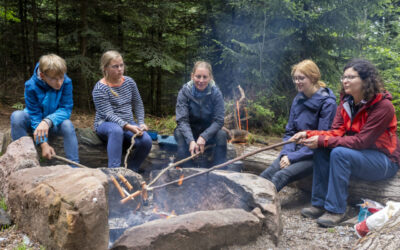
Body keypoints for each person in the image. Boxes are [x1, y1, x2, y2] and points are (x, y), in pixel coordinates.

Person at [293, 59, 400, 227]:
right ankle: (318, 203)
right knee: (322, 149)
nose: (345, 81)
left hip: (385, 160)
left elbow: (362, 141)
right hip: (359, 154)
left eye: (351, 77)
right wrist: (308, 134)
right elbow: (335, 132)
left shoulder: (383, 106)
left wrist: (323, 140)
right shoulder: (346, 103)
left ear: (366, 80)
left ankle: (336, 210)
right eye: (344, 77)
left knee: (338, 152)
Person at [259, 59, 337, 192]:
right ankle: (245, 202)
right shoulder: (298, 99)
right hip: (294, 151)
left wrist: (292, 157)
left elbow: (321, 139)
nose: (297, 82)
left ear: (313, 78)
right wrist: (286, 153)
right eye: (295, 78)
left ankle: (261, 205)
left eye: (301, 78)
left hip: (314, 155)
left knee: (280, 175)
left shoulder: (327, 103)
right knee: (266, 174)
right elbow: (290, 132)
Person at [10, 54, 80, 164]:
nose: (59, 82)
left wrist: (48, 121)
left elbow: (66, 109)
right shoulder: (31, 85)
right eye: (54, 79)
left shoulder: (66, 82)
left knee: (67, 124)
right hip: (34, 122)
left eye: (61, 77)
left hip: (54, 124)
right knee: (17, 116)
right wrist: (43, 144)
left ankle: (74, 165)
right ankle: (24, 162)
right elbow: (34, 115)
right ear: (42, 76)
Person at [92, 50, 152, 171]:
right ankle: (114, 172)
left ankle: (131, 171)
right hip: (105, 124)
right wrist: (128, 126)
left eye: (121, 65)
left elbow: (138, 103)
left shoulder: (129, 82)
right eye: (115, 66)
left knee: (146, 141)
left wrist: (140, 122)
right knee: (116, 130)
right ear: (105, 68)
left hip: (129, 122)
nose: (120, 69)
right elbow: (108, 115)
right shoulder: (100, 89)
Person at [175, 61, 227, 167]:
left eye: (205, 77)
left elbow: (219, 120)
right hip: (189, 132)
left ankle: (220, 170)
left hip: (208, 133)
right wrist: (191, 140)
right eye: (198, 76)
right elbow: (182, 120)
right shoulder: (185, 92)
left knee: (222, 135)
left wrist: (204, 137)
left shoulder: (216, 93)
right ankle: (186, 170)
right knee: (179, 134)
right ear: (192, 76)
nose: (201, 81)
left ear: (210, 78)